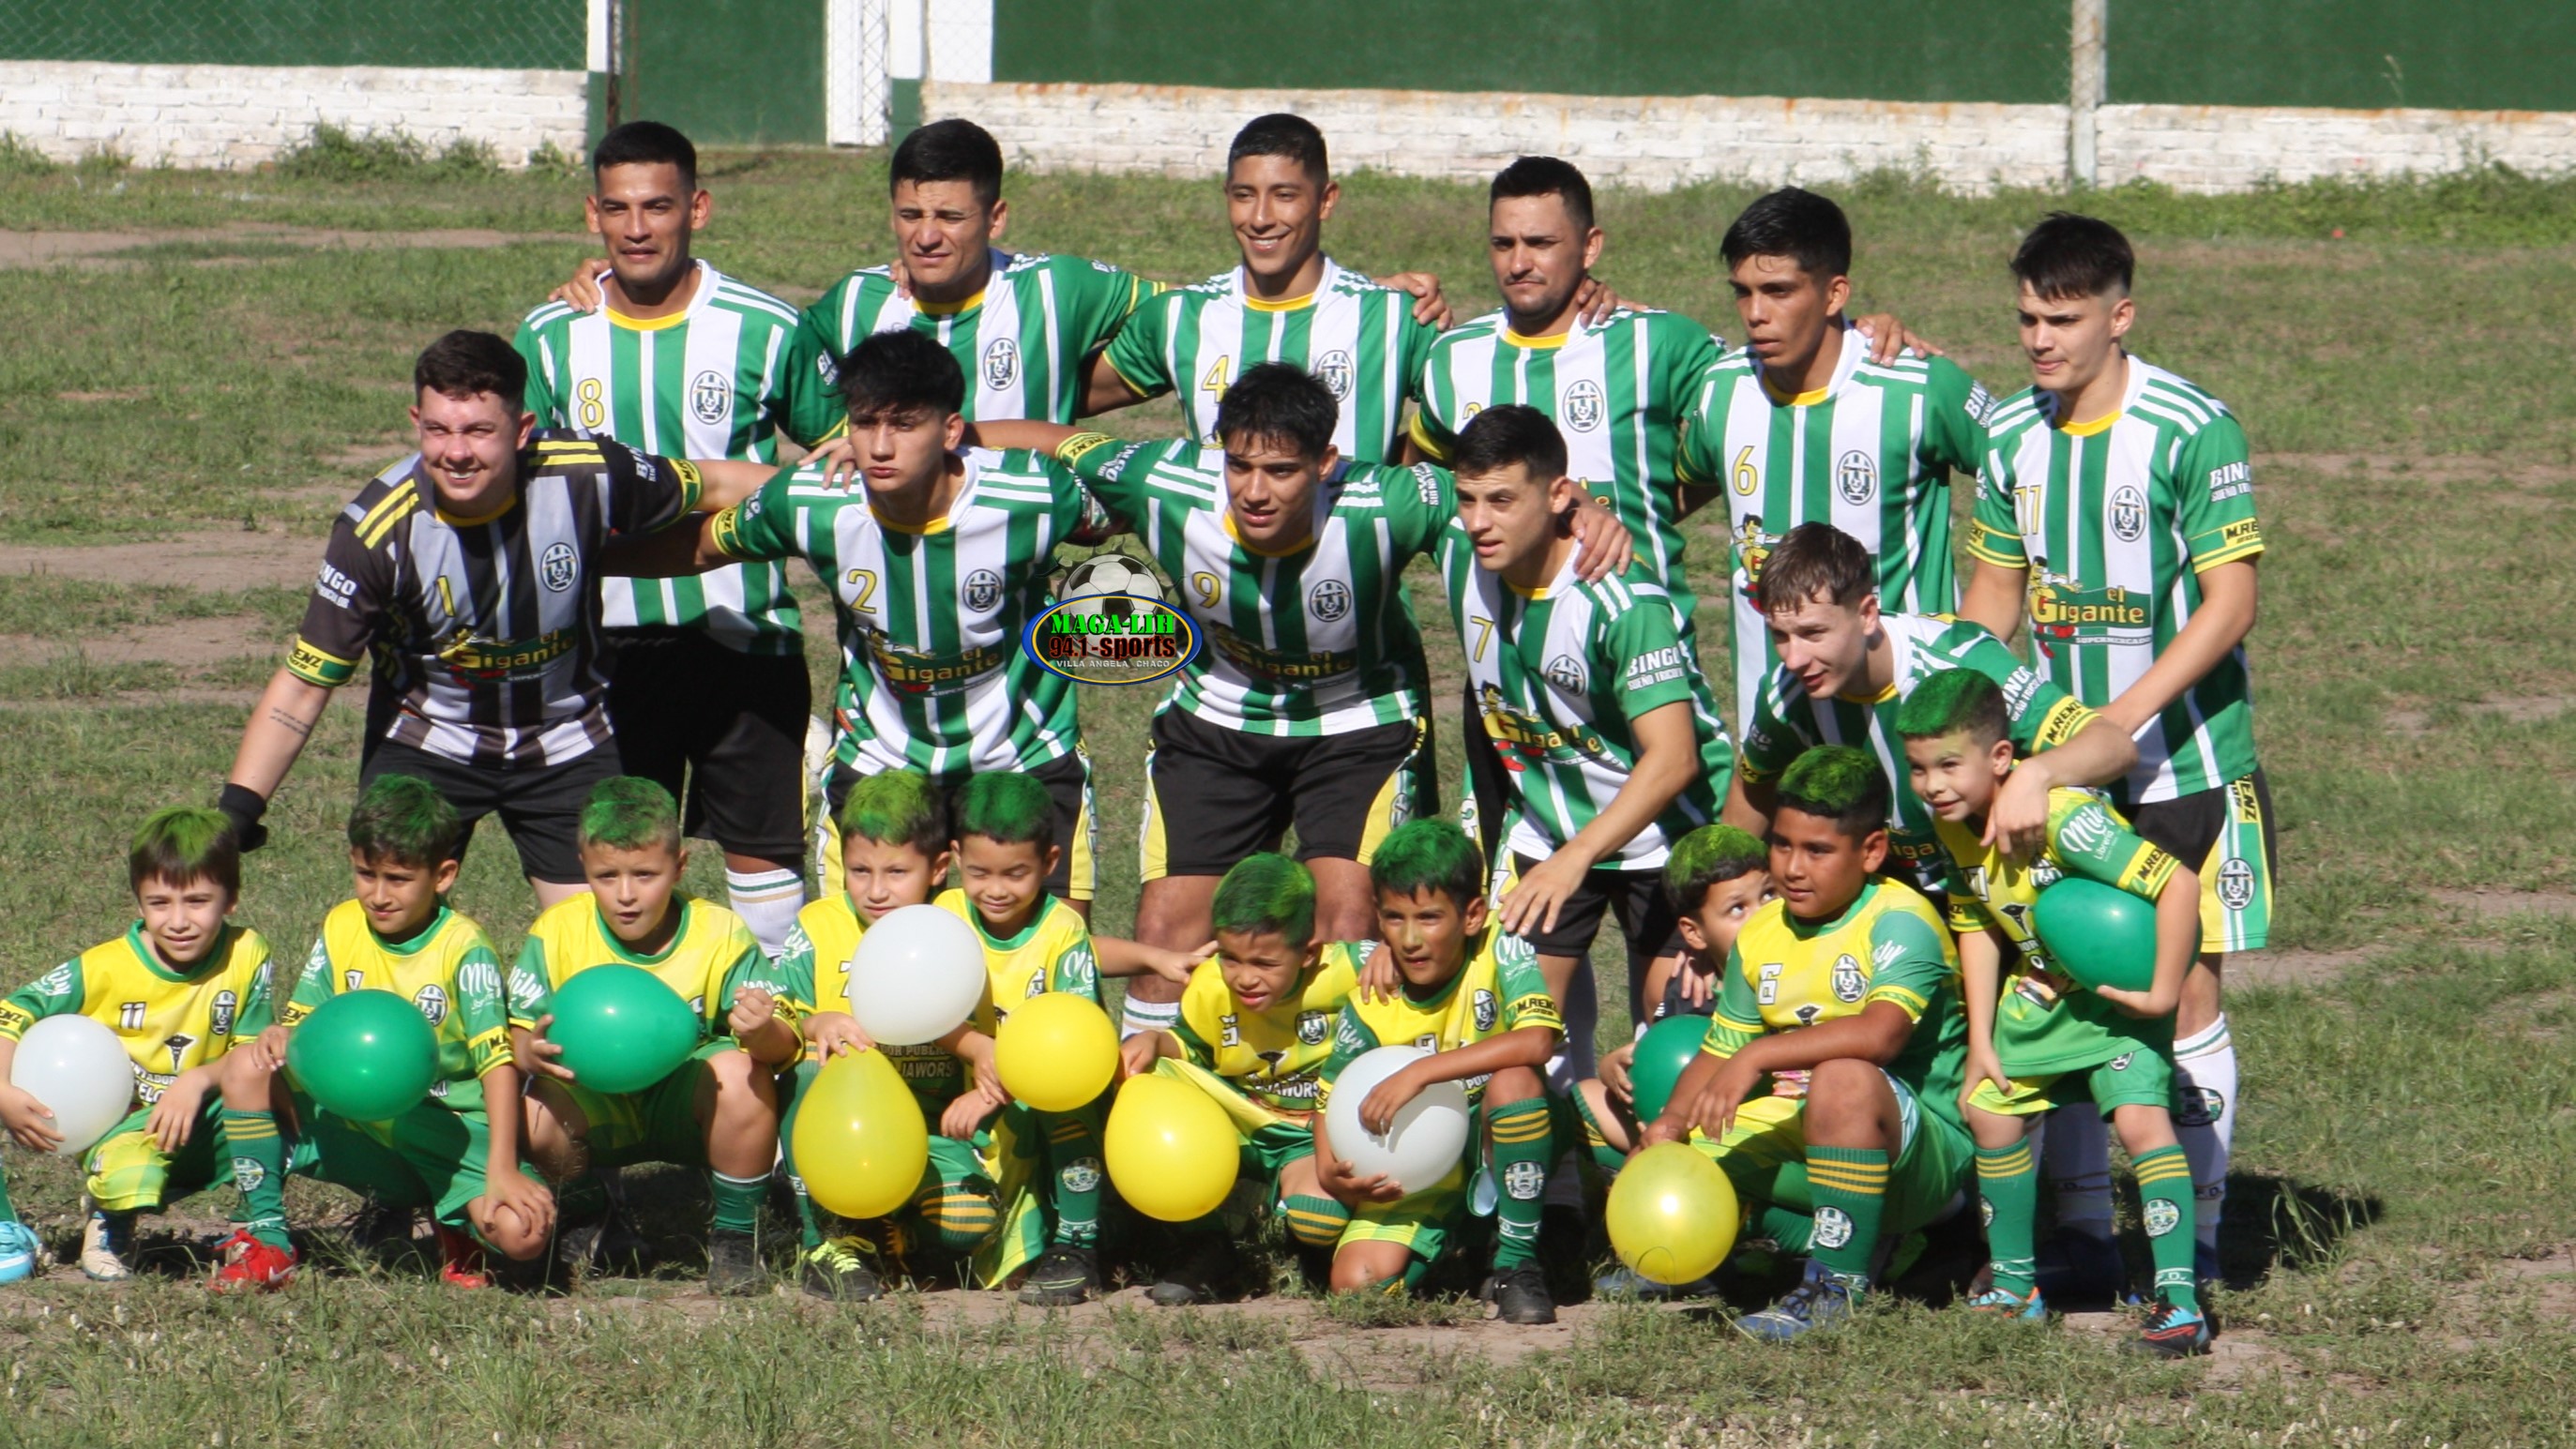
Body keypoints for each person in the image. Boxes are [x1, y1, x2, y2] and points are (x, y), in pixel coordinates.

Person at [979, 367, 1629, 1040]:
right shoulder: (1164, 478)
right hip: (1219, 719)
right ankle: (1153, 1096)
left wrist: (1578, 503)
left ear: (1325, 463)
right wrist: (945, 435)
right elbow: (1055, 439)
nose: (1255, 490)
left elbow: (1501, 491)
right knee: (1165, 934)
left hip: (1358, 724)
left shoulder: (1387, 502)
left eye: (1282, 470)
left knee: (1347, 930)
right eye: (1240, 465)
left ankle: (1327, 1111)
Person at [1958, 213, 2270, 1287]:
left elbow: (2230, 604)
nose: (2039, 341)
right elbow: (1993, 598)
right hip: (2051, 759)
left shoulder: (2191, 428)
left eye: (2062, 319)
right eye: (2026, 319)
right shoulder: (2007, 435)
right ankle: (2087, 1231)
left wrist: (2116, 724)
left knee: (2180, 991)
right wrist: (1969, 722)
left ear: (2119, 315)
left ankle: (2208, 1235)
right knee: (2059, 975)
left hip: (2179, 757)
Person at [220, 330, 777, 907]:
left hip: (566, 741)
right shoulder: (376, 530)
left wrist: (831, 488)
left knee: (594, 938)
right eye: (438, 429)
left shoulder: (587, 475)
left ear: (523, 430)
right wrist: (238, 811)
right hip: (426, 743)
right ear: (416, 419)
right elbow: (306, 683)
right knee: (392, 933)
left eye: (479, 430)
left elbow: (716, 484)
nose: (456, 452)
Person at [614, 328, 1109, 914]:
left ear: (950, 431)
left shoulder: (1032, 495)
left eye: (903, 425)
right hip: (881, 760)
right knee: (866, 976)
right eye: (865, 423)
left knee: (1049, 963)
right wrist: (570, 556)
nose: (878, 447)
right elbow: (699, 547)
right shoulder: (815, 502)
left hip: (1025, 754)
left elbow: (1126, 486)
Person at [513, 120, 842, 956]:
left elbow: (840, 454)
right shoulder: (553, 335)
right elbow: (521, 487)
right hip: (606, 652)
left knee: (768, 879)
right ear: (592, 214)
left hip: (746, 643)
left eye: (658, 206)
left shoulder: (767, 327)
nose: (636, 227)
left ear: (698, 206)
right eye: (618, 209)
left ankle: (776, 1061)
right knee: (625, 874)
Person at [1894, 669, 2209, 1354]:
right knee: (1990, 1105)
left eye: (1949, 764)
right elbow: (1974, 919)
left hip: (2117, 1002)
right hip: (2038, 998)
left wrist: (2162, 992)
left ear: (2001, 757)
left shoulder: (2063, 817)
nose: (1932, 784)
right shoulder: (1947, 824)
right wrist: (1981, 1034)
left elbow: (2179, 885)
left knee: (2140, 1120)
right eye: (1918, 769)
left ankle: (2180, 1303)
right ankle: (2014, 1287)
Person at [1432, 404, 1733, 1088]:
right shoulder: (1458, 546)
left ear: (1558, 494)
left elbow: (1674, 757)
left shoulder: (1621, 602)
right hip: (1548, 832)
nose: (1480, 521)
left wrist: (1577, 857)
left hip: (1666, 838)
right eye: (1468, 499)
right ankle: (1560, 1193)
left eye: (1503, 500)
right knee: (1515, 1043)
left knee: (1675, 1050)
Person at [1644, 747, 1974, 1341]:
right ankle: (1843, 1254)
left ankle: (1835, 1287)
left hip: (1921, 1153)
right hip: (1815, 1136)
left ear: (1871, 851)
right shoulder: (1763, 932)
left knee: (1841, 1076)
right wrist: (1669, 1125)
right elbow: (1723, 1046)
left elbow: (1880, 1035)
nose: (1793, 868)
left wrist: (1760, 1055)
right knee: (1684, 1155)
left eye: (1818, 851)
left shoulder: (1901, 919)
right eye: (1782, 844)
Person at [212, 775, 553, 1291]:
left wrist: (503, 1169)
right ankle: (266, 1240)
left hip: (447, 1129)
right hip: (363, 1122)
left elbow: (496, 1064)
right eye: (364, 874)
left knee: (522, 1235)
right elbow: (307, 1025)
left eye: (398, 878)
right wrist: (284, 1038)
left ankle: (458, 1224)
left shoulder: (464, 947)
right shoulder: (341, 925)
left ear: (443, 875)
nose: (378, 894)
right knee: (246, 1065)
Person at [1675, 187, 1994, 722]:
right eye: (1743, 292)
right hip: (1776, 730)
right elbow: (1671, 494)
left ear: (1834, 293)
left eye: (1778, 291)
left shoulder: (1916, 387)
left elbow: (2029, 466)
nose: (1755, 314)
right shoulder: (1722, 391)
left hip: (1913, 725)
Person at [1724, 521, 2137, 895]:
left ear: (1867, 614)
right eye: (1780, 636)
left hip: (2022, 888)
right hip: (1903, 903)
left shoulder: (1960, 663)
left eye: (1813, 633)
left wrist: (2035, 775)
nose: (1793, 658)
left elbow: (2112, 744)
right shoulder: (1785, 695)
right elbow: (1752, 792)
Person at [508, 777, 800, 1294]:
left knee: (741, 1072)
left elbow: (784, 1048)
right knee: (532, 1105)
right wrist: (528, 1050)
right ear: (582, 865)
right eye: (606, 875)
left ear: (681, 865)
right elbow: (515, 1033)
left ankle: (737, 1234)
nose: (625, 894)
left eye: (645, 874)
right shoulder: (557, 931)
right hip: (594, 1098)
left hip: (682, 1103)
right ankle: (589, 1215)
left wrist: (761, 1032)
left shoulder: (720, 933)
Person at [0, 808, 276, 1283]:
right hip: (127, 1127)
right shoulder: (106, 966)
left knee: (288, 1110)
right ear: (139, 902)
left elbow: (252, 1053)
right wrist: (3, 1091)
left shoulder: (248, 953)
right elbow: (12, 1012)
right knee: (131, 1171)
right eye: (159, 903)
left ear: (231, 900)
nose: (179, 920)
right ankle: (109, 1214)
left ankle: (259, 1229)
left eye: (197, 901)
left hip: (206, 1112)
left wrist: (195, 1080)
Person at [1311, 821, 1567, 1323]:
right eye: (1393, 918)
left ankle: (1517, 1262)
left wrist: (1422, 1072)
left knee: (1515, 1083)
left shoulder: (1502, 948)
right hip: (1416, 1175)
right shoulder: (1371, 991)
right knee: (1354, 1287)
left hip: (1489, 1143)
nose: (1409, 939)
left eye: (1429, 918)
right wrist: (1328, 1171)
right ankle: (1457, 1241)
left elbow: (1538, 1040)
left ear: (1472, 915)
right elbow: (1329, 1096)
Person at [772, 770, 1008, 1301]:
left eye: (897, 871)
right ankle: (827, 1239)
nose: (876, 890)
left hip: (931, 1132)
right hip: (842, 1135)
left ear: (939, 867)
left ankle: (892, 1232)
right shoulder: (818, 925)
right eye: (859, 870)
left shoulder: (957, 930)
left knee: (969, 1225)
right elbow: (784, 1023)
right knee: (812, 1060)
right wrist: (815, 1023)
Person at [1087, 113, 1446, 462]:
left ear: (1326, 200)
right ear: (1226, 195)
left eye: (1284, 195)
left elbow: (1467, 427)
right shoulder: (1179, 318)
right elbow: (1054, 389)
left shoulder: (1396, 317)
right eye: (1244, 195)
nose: (1260, 218)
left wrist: (1391, 478)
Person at [1118, 853, 1361, 1306]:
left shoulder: (1354, 971)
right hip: (1238, 1127)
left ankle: (1297, 1234)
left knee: (1318, 1219)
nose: (1244, 978)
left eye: (1265, 963)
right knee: (1144, 1074)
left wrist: (1390, 960)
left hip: (1310, 1138)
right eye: (1231, 958)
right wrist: (1155, 1040)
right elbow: (1190, 1045)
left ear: (1308, 953)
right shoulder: (1211, 984)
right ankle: (1208, 1246)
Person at [931, 771, 1113, 1307]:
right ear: (957, 856)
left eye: (1016, 873)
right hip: (973, 1097)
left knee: (1065, 1106)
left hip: (1045, 1094)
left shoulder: (1063, 932)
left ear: (1050, 863)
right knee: (959, 1228)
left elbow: (1073, 1047)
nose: (996, 889)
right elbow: (923, 1008)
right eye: (980, 872)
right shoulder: (945, 915)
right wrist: (974, 1050)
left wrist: (995, 1087)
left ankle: (1079, 1245)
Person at [1576, 823, 1771, 1301]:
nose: (1762, 915)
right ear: (1693, 932)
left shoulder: (1790, 967)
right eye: (1738, 909)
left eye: (1769, 895)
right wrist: (1616, 1067)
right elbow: (1660, 1053)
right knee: (1582, 1099)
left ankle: (1714, 1247)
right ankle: (1622, 1228)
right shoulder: (1687, 983)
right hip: (1684, 1128)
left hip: (1755, 1131)